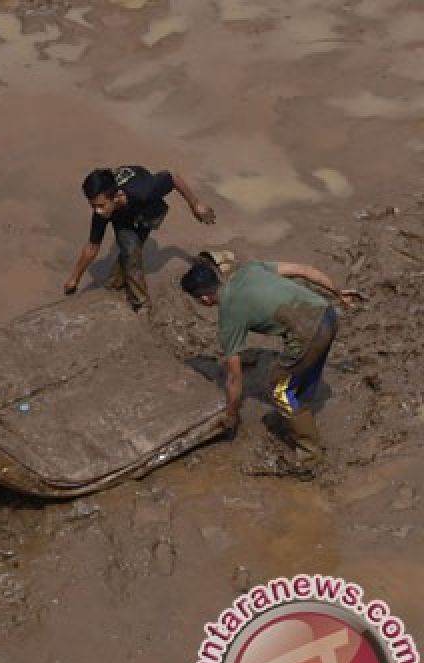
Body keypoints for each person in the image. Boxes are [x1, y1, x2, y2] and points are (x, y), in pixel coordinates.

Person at [180, 251, 360, 478]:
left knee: (279, 391)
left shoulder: (229, 316)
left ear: (204, 299)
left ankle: (310, 457)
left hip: (309, 334)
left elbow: (235, 377)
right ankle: (301, 408)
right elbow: (304, 270)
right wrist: (338, 291)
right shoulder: (250, 269)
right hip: (327, 314)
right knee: (304, 365)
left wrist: (232, 413)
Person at [64, 166, 216, 311]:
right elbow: (92, 247)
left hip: (147, 210)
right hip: (123, 215)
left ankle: (129, 293)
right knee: (130, 249)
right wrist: (74, 279)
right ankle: (130, 294)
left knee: (132, 251)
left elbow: (172, 176)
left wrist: (195, 204)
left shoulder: (144, 190)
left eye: (101, 205)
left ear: (116, 197)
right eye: (93, 206)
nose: (97, 210)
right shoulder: (102, 212)